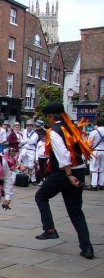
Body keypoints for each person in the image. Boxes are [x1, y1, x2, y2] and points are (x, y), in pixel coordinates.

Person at [34, 102, 94, 259]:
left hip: (64, 173)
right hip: (79, 170)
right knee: (75, 211)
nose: (47, 120)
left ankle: (50, 229)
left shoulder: (53, 131)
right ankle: (87, 247)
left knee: (40, 196)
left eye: (47, 117)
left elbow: (63, 155)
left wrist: (68, 175)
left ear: (51, 117)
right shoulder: (72, 127)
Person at [19, 119, 38, 184]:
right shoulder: (24, 132)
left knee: (31, 165)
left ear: (33, 127)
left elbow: (32, 141)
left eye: (30, 126)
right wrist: (26, 140)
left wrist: (25, 140)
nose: (29, 127)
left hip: (31, 150)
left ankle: (33, 179)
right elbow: (21, 141)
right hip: (24, 150)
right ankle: (27, 178)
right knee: (25, 165)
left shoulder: (35, 134)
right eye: (28, 126)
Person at [88, 118, 104, 190]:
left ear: (97, 124)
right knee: (102, 168)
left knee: (94, 168)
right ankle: (101, 184)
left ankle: (94, 185)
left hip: (95, 151)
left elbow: (89, 143)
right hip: (103, 151)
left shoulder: (94, 132)